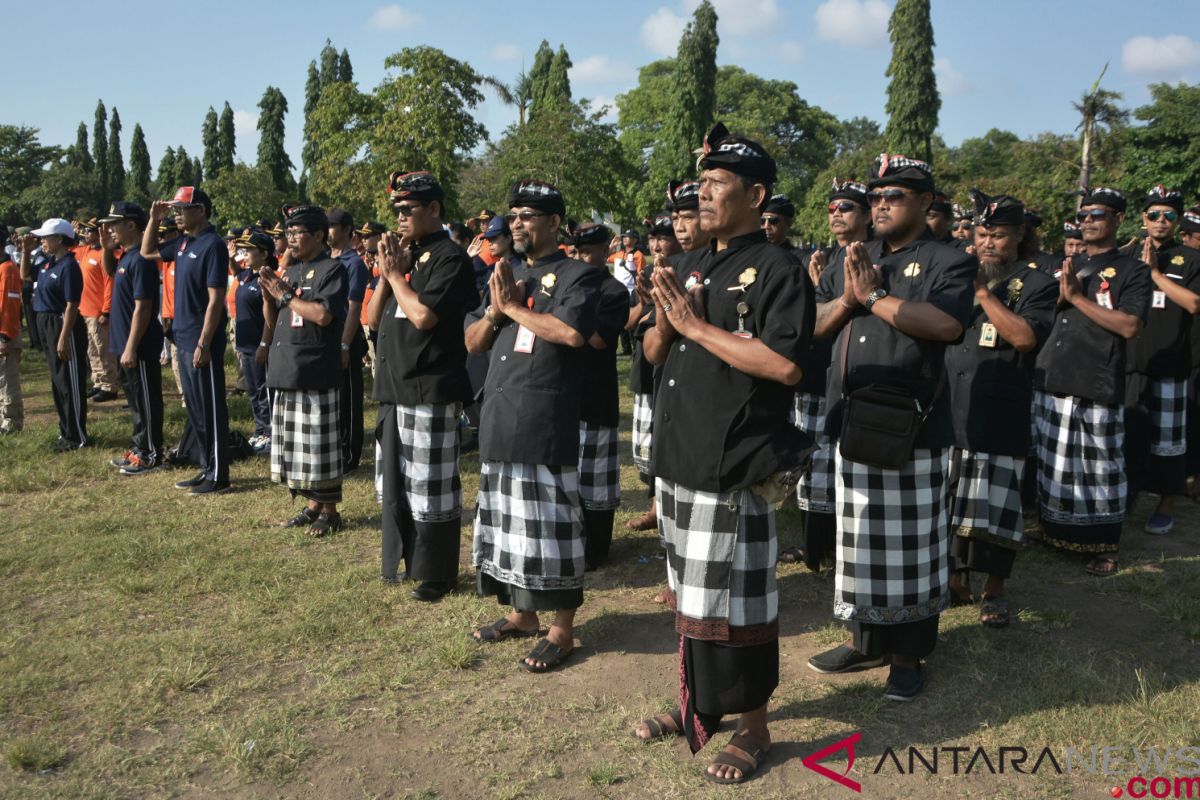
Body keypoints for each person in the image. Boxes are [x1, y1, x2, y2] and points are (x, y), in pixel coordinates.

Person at [633, 123, 813, 785]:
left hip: (736, 463)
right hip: (682, 456)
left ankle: (755, 729)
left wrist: (697, 326)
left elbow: (786, 365)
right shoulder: (688, 264)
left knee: (739, 604)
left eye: (716, 186)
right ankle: (697, 705)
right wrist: (663, 315)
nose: (700, 196)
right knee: (690, 596)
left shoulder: (777, 268)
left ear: (756, 194)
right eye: (698, 186)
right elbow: (657, 354)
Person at [806, 154, 976, 702]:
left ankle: (907, 655)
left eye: (895, 195)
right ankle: (864, 641)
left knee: (912, 550)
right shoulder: (852, 256)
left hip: (910, 426)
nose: (880, 204)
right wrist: (848, 298)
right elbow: (813, 322)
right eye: (876, 196)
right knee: (857, 544)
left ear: (926, 203)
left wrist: (875, 298)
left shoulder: (947, 259)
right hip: (850, 418)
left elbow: (947, 325)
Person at [465, 179, 601, 673]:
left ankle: (562, 629)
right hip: (501, 415)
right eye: (514, 214)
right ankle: (522, 615)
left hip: (544, 417)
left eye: (528, 215)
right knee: (506, 525)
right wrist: (498, 313)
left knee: (553, 526)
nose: (517, 223)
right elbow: (474, 341)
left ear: (554, 223)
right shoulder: (507, 273)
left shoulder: (574, 275)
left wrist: (515, 309)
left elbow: (569, 333)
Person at [945, 191, 1057, 627]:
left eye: (998, 235)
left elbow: (1026, 338)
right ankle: (955, 578)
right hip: (953, 404)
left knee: (996, 503)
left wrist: (983, 294)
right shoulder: (959, 275)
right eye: (982, 232)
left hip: (1000, 409)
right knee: (951, 498)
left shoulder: (1037, 283)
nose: (988, 242)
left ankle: (995, 589)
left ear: (1019, 237)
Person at [370, 171, 478, 601]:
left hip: (430, 386)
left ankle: (437, 572)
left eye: (407, 209)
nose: (399, 218)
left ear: (433, 209)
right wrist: (385, 274)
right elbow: (373, 319)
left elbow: (424, 317)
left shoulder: (450, 257)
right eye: (395, 210)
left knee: (430, 485)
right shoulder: (406, 256)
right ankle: (405, 560)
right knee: (398, 484)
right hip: (396, 386)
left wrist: (398, 276)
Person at [1032, 187, 1151, 576]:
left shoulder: (1133, 270)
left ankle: (1105, 544)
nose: (1087, 221)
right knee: (1054, 461)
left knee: (1100, 465)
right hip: (1054, 371)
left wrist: (1079, 299)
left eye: (1097, 214)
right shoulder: (1067, 264)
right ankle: (1055, 531)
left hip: (1097, 375)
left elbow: (1130, 325)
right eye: (1083, 215)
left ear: (1118, 220)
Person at [780, 178, 871, 570]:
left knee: (845, 470)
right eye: (832, 208)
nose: (836, 214)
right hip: (820, 373)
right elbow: (814, 318)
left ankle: (841, 549)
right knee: (816, 467)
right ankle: (815, 547)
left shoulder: (872, 255)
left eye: (846, 208)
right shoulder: (827, 260)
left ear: (866, 214)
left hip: (862, 375)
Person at [259, 204, 348, 535]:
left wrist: (283, 296)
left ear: (319, 236)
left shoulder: (332, 269)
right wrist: (271, 298)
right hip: (288, 368)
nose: (291, 239)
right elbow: (279, 317)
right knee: (299, 448)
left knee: (318, 444)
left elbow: (323, 316)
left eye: (298, 233)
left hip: (314, 369)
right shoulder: (292, 271)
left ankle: (330, 511)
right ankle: (312, 505)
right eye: (289, 233)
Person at [1119, 185, 1200, 535]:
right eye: (1154, 214)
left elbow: (1194, 304)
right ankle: (1125, 500)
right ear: (1143, 218)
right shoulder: (1128, 253)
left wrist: (1154, 274)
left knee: (1167, 442)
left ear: (1178, 220)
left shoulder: (1191, 258)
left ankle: (1166, 503)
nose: (1160, 220)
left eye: (1168, 215)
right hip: (1131, 361)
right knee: (1128, 438)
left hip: (1171, 364)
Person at [144, 187, 232, 495]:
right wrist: (154, 220)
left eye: (182, 208)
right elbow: (147, 252)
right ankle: (207, 467)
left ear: (202, 210)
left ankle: (219, 474)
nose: (177, 214)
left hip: (200, 339)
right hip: (182, 336)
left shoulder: (213, 245)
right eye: (175, 209)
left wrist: (204, 343)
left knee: (210, 407)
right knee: (195, 408)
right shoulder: (181, 243)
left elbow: (216, 298)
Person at [570, 222, 628, 569]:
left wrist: (568, 316)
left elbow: (599, 339)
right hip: (566, 392)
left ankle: (596, 548)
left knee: (595, 479)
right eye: (577, 250)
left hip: (597, 394)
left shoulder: (613, 290)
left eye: (588, 250)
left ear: (606, 250)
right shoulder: (568, 283)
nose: (581, 256)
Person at [100, 202, 166, 475]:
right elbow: (110, 273)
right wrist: (105, 247)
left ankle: (151, 453)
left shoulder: (141, 258)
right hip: (124, 344)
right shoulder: (126, 257)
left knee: (146, 399)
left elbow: (144, 307)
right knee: (135, 401)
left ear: (131, 225)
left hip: (138, 346)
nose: (110, 229)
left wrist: (130, 347)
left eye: (115, 223)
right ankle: (140, 447)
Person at [24, 219, 88, 450]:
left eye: (46, 237)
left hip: (63, 324)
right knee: (58, 381)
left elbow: (72, 304)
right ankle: (66, 432)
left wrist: (63, 336)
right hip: (46, 322)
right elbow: (26, 275)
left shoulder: (69, 266)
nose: (42, 241)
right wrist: (25, 252)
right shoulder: (48, 263)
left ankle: (77, 436)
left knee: (69, 382)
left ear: (59, 239)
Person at [326, 208, 370, 471]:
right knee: (332, 398)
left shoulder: (354, 264)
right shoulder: (326, 259)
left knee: (349, 399)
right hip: (326, 338)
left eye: (332, 226)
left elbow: (353, 308)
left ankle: (350, 454)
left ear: (346, 230)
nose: (327, 230)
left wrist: (344, 343)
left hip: (347, 338)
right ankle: (335, 447)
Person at [233, 230, 275, 452]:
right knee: (252, 391)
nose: (245, 253)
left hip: (260, 345)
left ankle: (270, 431)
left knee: (264, 391)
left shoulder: (268, 277)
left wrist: (264, 344)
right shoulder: (245, 276)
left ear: (264, 253)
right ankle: (259, 430)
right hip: (245, 345)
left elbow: (271, 318)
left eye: (249, 250)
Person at [74, 219, 120, 402]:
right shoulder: (87, 251)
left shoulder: (104, 254)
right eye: (84, 230)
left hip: (98, 311)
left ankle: (110, 386)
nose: (86, 233)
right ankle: (99, 381)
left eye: (89, 231)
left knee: (103, 350)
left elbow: (110, 283)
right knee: (92, 351)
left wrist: (106, 310)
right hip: (85, 310)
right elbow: (71, 248)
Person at [0, 227, 24, 434]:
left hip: (5, 335)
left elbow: (10, 305)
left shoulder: (7, 269)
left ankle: (12, 423)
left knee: (8, 382)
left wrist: (5, 335)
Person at [356, 220, 386, 378]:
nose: (364, 240)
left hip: (381, 319)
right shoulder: (364, 260)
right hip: (365, 318)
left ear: (380, 237)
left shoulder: (389, 257)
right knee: (375, 362)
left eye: (368, 236)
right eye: (362, 237)